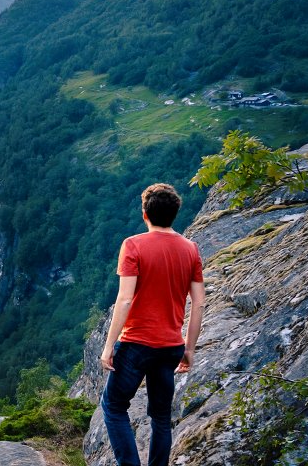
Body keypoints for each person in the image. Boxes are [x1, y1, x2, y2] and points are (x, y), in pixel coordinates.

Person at [99, 183, 206, 466]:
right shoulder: (191, 250)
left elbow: (124, 300)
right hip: (170, 345)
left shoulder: (133, 245)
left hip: (136, 343)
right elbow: (199, 303)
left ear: (144, 213)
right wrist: (190, 348)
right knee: (160, 416)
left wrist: (109, 346)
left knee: (113, 406)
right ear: (175, 214)